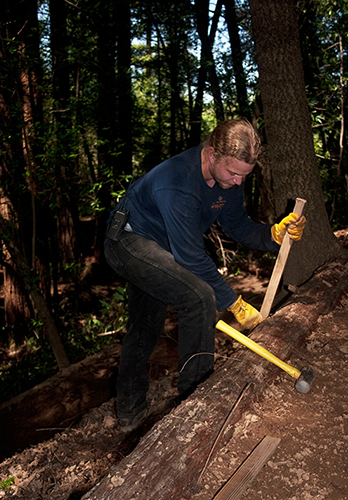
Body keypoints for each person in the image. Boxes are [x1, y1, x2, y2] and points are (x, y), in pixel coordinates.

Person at [104, 119, 305, 431]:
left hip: (161, 246)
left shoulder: (228, 181)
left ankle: (129, 411)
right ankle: (197, 402)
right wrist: (233, 302)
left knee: (146, 324)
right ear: (212, 155)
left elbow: (238, 226)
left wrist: (274, 235)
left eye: (244, 175)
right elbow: (189, 256)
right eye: (233, 173)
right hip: (128, 242)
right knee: (199, 297)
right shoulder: (177, 182)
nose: (239, 182)